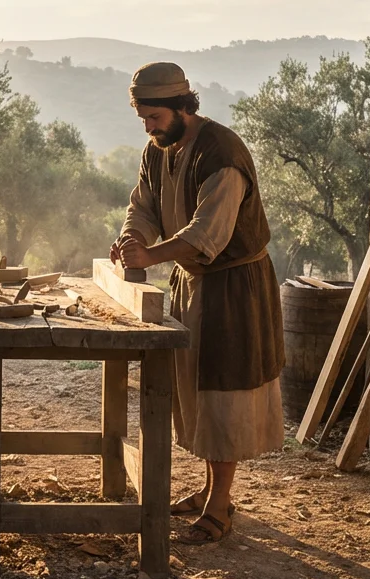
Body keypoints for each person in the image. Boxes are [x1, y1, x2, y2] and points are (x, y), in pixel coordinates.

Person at [110, 61, 285, 544]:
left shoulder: (221, 154)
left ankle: (219, 505)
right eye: (143, 119)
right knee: (195, 393)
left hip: (233, 288)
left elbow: (209, 232)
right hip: (193, 282)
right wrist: (131, 241)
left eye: (154, 118)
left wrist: (152, 253)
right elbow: (142, 207)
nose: (148, 127)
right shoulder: (158, 149)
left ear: (183, 107)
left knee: (222, 394)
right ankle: (212, 490)